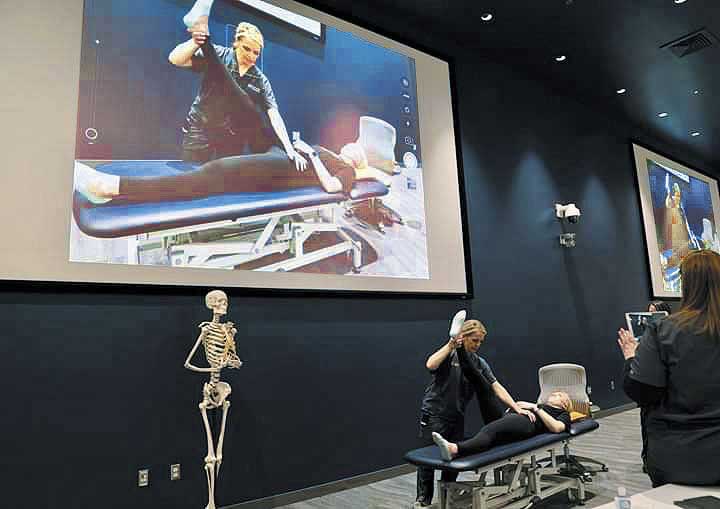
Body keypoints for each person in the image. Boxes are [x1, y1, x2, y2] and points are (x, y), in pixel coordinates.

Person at [618, 250, 720, 486]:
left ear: (686, 285)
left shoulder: (663, 330)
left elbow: (642, 391)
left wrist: (630, 357)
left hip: (678, 457)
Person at [168, 0, 306, 168]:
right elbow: (175, 59)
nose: (252, 56)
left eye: (256, 53)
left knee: (226, 183)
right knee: (191, 178)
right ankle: (203, 34)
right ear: (236, 43)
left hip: (231, 135)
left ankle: (203, 29)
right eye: (247, 49)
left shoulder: (260, 80)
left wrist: (289, 148)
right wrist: (196, 42)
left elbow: (274, 115)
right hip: (200, 129)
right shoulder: (220, 55)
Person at [414, 316, 534, 508]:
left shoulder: (479, 363)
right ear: (464, 336)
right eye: (474, 340)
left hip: (457, 416)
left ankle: (448, 495)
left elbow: (496, 386)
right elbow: (430, 364)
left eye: (480, 342)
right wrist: (451, 343)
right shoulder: (450, 355)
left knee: (452, 458)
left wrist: (517, 408)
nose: (478, 345)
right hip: (435, 413)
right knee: (427, 460)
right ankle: (423, 501)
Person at [73, 138, 355, 204]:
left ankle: (110, 187)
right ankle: (112, 187)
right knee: (204, 180)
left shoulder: (346, 169)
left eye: (360, 150)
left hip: (274, 171)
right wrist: (297, 146)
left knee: (201, 181)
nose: (354, 146)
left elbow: (333, 187)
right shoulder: (330, 152)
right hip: (273, 164)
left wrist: (313, 153)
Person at [431, 391, 572, 460]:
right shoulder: (540, 405)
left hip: (526, 424)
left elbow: (557, 428)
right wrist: (519, 407)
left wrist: (535, 408)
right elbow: (517, 404)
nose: (554, 394)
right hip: (515, 419)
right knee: (491, 439)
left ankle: (454, 448)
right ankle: (457, 450)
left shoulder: (562, 413)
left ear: (565, 404)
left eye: (559, 394)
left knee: (489, 431)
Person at [639, 300, 673, 472]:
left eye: (654, 313)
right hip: (649, 390)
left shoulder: (672, 338)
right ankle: (647, 457)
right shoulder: (647, 338)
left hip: (667, 390)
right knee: (646, 422)